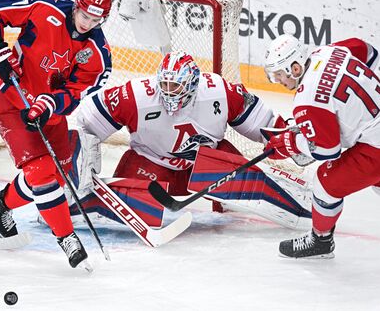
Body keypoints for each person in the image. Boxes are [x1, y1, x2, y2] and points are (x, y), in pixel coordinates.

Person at [71, 51, 311, 231]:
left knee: (248, 187)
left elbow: (263, 121)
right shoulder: (136, 96)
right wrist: (82, 176)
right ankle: (78, 204)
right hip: (152, 164)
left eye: (174, 86)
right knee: (136, 212)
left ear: (192, 84)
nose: (167, 92)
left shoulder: (220, 91)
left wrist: (293, 141)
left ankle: (298, 205)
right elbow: (87, 124)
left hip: (207, 165)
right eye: (163, 84)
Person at [0, 0, 113, 269]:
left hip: (49, 114)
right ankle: (67, 238)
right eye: (85, 15)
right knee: (42, 173)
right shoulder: (42, 6)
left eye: (96, 19)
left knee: (58, 175)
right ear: (77, 5)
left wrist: (49, 105)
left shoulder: (99, 54)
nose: (88, 24)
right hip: (9, 100)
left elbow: (76, 93)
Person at [263, 34, 380, 258]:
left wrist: (290, 142)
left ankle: (321, 242)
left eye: (279, 74)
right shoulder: (329, 52)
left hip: (377, 148)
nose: (277, 80)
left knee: (326, 184)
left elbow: (327, 150)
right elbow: (369, 52)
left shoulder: (306, 100)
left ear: (295, 68)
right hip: (376, 131)